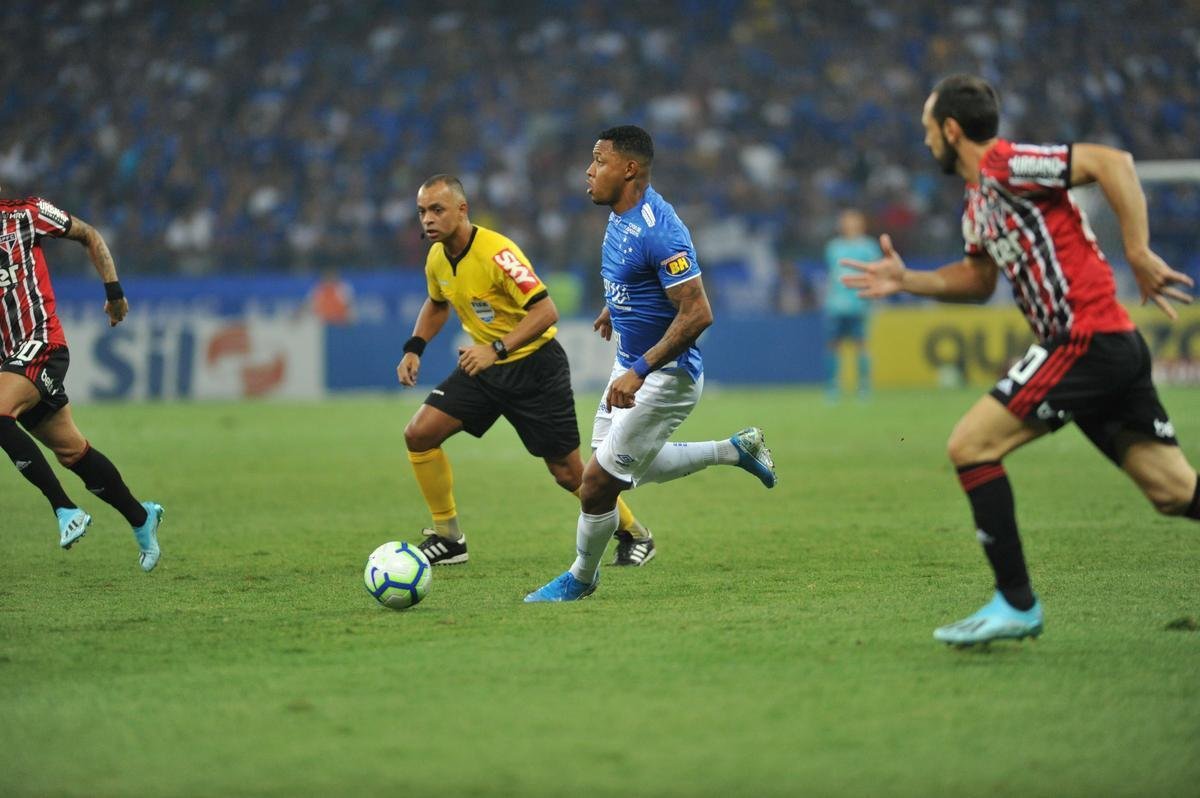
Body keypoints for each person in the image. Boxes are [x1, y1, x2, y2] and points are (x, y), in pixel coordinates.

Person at [842, 74, 1198, 646]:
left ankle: (1016, 604)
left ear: (952, 130)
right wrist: (908, 279)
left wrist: (1137, 251)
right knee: (1175, 493)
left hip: (1082, 337)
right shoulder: (977, 201)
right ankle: (1014, 604)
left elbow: (1113, 162)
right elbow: (979, 282)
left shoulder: (1008, 165)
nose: (926, 138)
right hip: (1106, 347)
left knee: (971, 445)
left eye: (929, 128)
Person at [525, 125, 777, 602]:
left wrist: (639, 370)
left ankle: (580, 579)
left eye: (598, 160)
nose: (589, 170)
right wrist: (613, 307)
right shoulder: (619, 215)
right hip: (634, 365)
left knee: (596, 486)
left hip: (666, 375)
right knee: (617, 468)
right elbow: (636, 279)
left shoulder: (659, 229)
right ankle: (734, 450)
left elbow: (698, 311)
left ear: (629, 169)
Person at [398, 174, 655, 566]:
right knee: (419, 434)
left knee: (569, 474)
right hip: (484, 368)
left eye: (437, 209)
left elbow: (546, 311)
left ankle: (635, 532)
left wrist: (496, 349)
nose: (428, 219)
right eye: (422, 212)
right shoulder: (437, 258)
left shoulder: (498, 253)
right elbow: (437, 303)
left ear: (462, 210)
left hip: (535, 368)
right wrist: (414, 348)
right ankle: (449, 538)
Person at [0, 190, 164, 570]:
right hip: (11, 361)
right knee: (72, 452)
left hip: (41, 343)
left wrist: (114, 291)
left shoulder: (25, 214)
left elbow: (89, 234)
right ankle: (142, 517)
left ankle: (64, 508)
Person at [823, 209, 879, 400]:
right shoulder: (833, 247)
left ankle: (864, 386)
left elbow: (875, 275)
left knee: (861, 345)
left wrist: (873, 298)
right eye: (846, 220)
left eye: (853, 220)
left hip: (859, 303)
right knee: (833, 345)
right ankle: (833, 386)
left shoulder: (869, 247)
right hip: (836, 305)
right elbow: (832, 276)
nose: (849, 224)